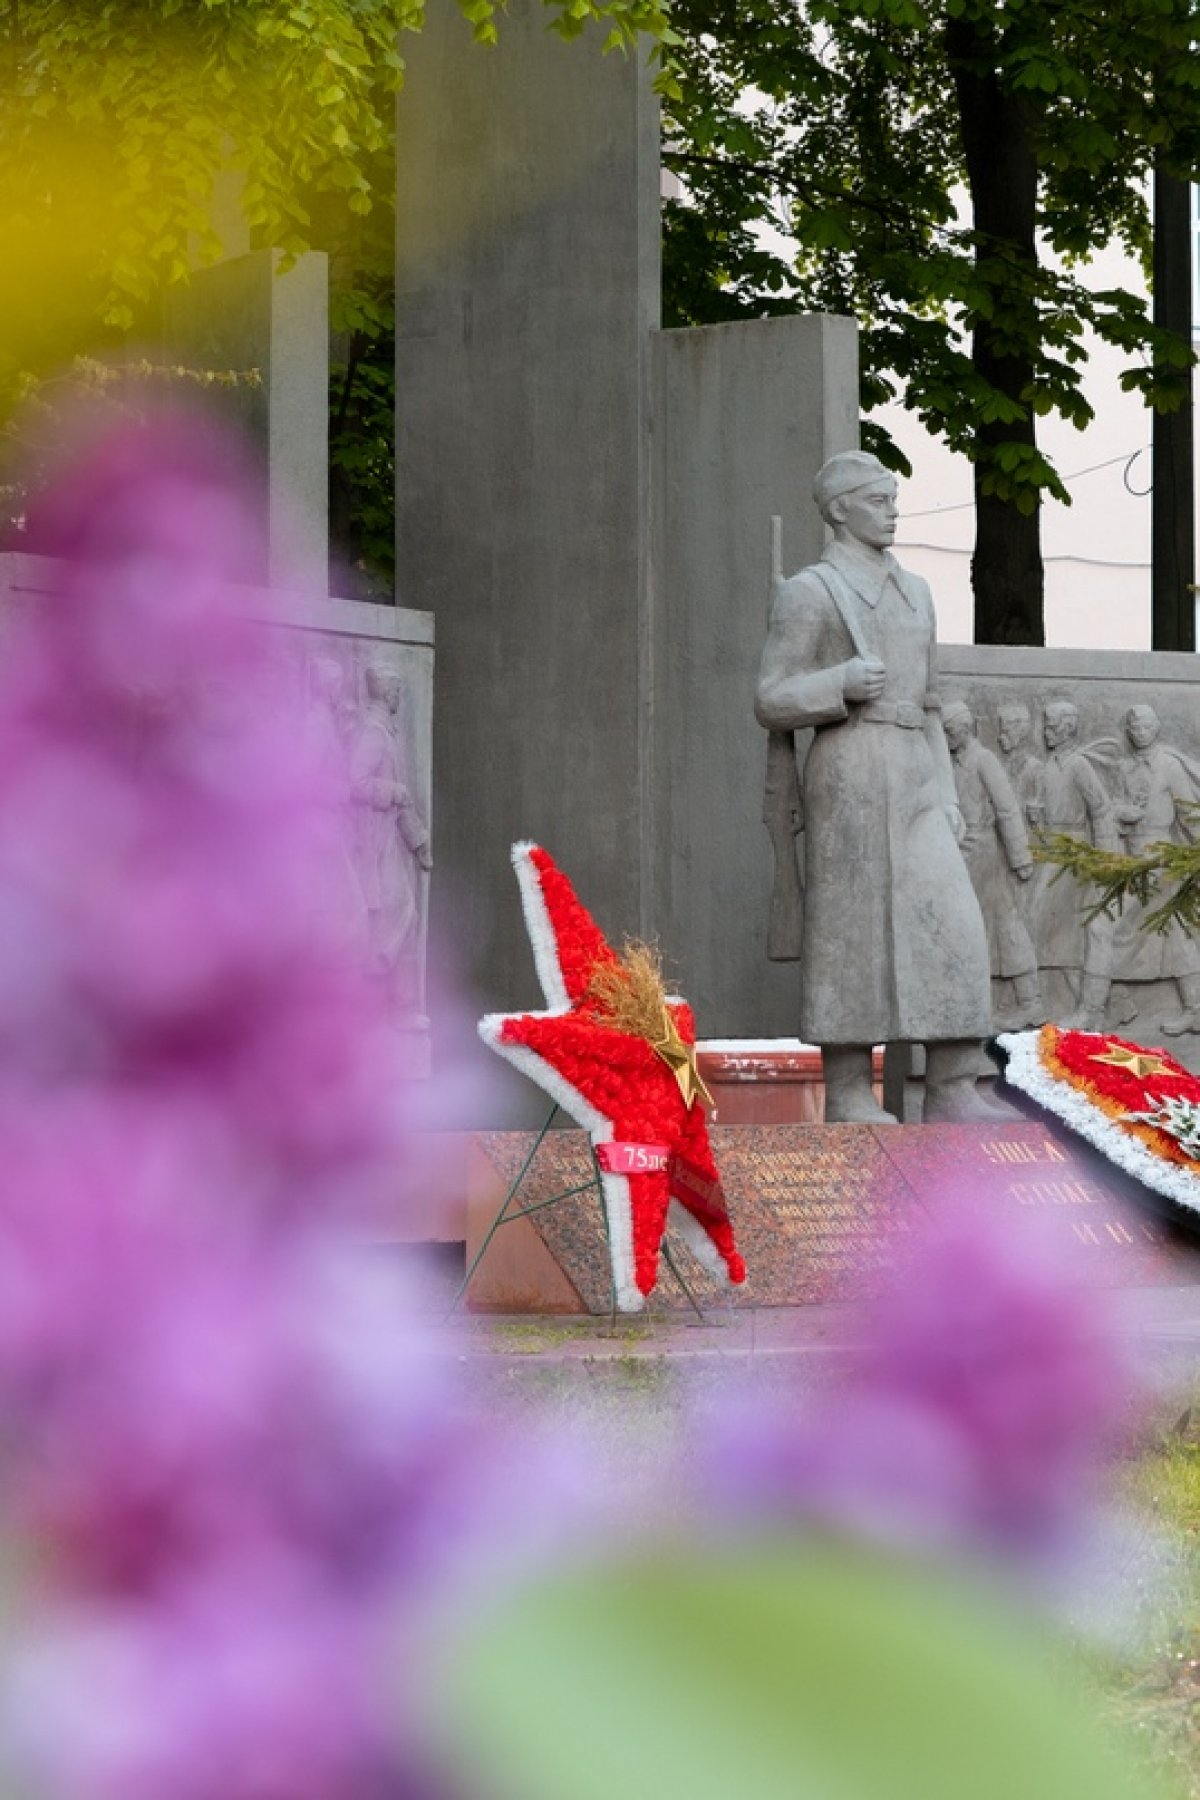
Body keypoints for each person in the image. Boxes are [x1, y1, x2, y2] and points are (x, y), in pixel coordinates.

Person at [755, 451, 1001, 1123]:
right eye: (878, 499)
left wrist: (947, 794)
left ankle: (952, 1085)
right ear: (839, 509)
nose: (893, 509)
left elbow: (930, 702)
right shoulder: (811, 590)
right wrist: (836, 684)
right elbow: (771, 699)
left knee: (953, 923)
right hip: (850, 766)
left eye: (893, 497)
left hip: (916, 766)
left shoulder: (916, 590)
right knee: (850, 932)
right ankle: (847, 1091)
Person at [943, 700, 1042, 1029]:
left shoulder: (984, 760)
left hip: (986, 853)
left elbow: (1008, 809)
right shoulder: (947, 762)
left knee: (1002, 924)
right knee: (972, 928)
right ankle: (978, 1000)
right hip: (959, 853)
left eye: (950, 732)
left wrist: (1021, 857)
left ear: (964, 729)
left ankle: (1030, 1002)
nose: (946, 738)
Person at [1108, 704, 1200, 1035]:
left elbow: (1189, 812)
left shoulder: (1169, 766)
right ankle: (1120, 1002)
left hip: (1162, 858)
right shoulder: (1123, 767)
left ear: (1156, 728)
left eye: (1146, 726)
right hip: (1131, 858)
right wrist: (1122, 813)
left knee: (1173, 932)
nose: (1140, 732)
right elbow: (1114, 804)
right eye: (1134, 727)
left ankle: (1193, 1009)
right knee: (1118, 928)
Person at [1031, 699, 1118, 1030]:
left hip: (1078, 855)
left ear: (1067, 729)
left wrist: (1104, 862)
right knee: (1044, 921)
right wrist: (1037, 820)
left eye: (1052, 726)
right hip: (1053, 852)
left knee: (1079, 928)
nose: (1046, 732)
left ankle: (1090, 1006)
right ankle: (1052, 1000)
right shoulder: (1048, 765)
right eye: (1046, 726)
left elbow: (1100, 809)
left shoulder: (1079, 765)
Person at [350, 664, 433, 1014]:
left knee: (403, 918)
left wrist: (419, 843)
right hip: (375, 844)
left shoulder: (386, 732)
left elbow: (403, 807)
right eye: (396, 691)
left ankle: (395, 1004)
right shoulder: (373, 733)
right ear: (387, 693)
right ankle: (381, 1001)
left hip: (390, 843)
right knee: (396, 919)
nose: (399, 697)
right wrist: (393, 790)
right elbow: (356, 782)